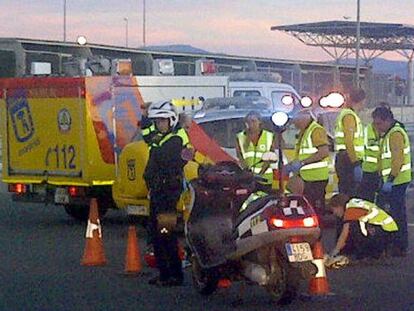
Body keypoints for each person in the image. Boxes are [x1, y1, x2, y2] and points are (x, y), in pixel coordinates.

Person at [143, 100, 190, 286]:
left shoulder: (176, 139)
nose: (159, 124)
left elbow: (161, 157)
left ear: (171, 121)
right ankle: (164, 274)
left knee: (166, 233)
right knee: (156, 234)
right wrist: (145, 118)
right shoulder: (163, 136)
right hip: (158, 191)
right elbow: (148, 137)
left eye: (162, 121)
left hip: (168, 192)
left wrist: (153, 144)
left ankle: (175, 275)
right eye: (157, 121)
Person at [372, 106, 411, 257]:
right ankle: (395, 244)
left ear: (388, 120)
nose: (377, 127)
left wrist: (390, 179)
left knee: (397, 214)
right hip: (393, 181)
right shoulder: (389, 133)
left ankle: (400, 246)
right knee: (393, 213)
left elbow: (398, 159)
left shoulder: (395, 134)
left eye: (379, 123)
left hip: (397, 181)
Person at [327, 193, 398, 266]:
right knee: (358, 226)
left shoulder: (351, 209)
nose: (334, 213)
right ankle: (378, 253)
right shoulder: (354, 203)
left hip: (383, 230)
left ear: (339, 206)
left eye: (333, 210)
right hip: (389, 229)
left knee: (353, 228)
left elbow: (345, 233)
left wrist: (334, 252)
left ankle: (366, 255)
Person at [285, 109, 330, 215]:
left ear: (302, 117)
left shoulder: (315, 130)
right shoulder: (304, 132)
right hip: (307, 179)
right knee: (307, 210)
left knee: (315, 211)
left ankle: (318, 230)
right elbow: (302, 154)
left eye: (294, 120)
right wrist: (291, 165)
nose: (293, 123)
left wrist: (302, 163)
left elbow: (323, 152)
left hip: (315, 179)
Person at [334, 88, 365, 196]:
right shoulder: (349, 116)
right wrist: (355, 163)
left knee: (346, 192)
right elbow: (349, 141)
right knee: (350, 194)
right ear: (362, 101)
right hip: (348, 160)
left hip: (346, 158)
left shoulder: (347, 114)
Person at [235, 111, 277, 188]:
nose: (251, 124)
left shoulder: (269, 136)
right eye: (248, 122)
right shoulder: (240, 137)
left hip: (265, 178)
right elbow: (239, 155)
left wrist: (260, 174)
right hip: (247, 179)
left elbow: (271, 156)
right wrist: (246, 171)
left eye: (253, 121)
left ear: (259, 122)